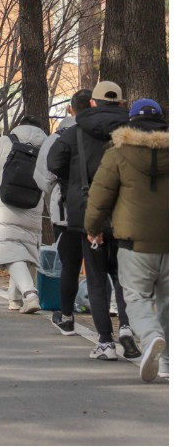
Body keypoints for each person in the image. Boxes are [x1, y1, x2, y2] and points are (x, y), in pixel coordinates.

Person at [48, 81, 137, 361]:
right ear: (122, 103)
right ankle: (126, 327)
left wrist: (75, 178)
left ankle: (105, 342)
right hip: (126, 214)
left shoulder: (74, 133)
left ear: (94, 103)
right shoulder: (133, 132)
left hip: (89, 214)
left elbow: (54, 164)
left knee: (96, 278)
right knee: (124, 278)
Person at [86, 98, 168, 382]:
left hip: (134, 245)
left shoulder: (118, 153)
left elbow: (99, 197)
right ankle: (168, 362)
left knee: (136, 298)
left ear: (131, 120)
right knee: (169, 300)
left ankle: (151, 336)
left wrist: (92, 227)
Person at [0, 116, 49, 314]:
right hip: (33, 204)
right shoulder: (48, 145)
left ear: (19, 126)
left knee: (10, 251)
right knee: (27, 251)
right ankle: (15, 299)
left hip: (4, 206)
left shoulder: (4, 141)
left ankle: (29, 294)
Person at [34, 90, 92, 336]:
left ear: (70, 109)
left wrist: (57, 189)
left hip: (65, 210)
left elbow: (42, 177)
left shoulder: (56, 137)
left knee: (70, 264)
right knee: (98, 267)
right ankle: (118, 328)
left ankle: (66, 317)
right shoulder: (100, 135)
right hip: (99, 209)